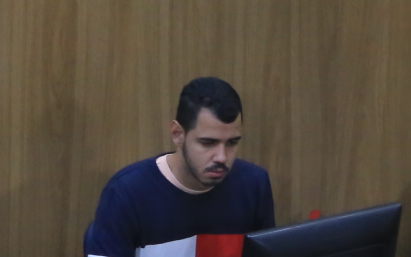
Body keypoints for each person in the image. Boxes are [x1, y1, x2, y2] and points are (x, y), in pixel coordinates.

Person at [84, 77, 276, 257]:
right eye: (208, 143)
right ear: (178, 134)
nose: (222, 157)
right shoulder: (126, 193)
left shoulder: (254, 184)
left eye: (232, 143)